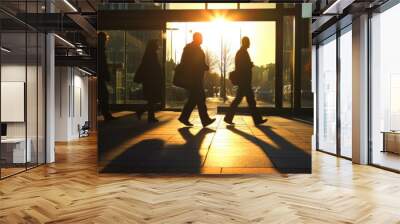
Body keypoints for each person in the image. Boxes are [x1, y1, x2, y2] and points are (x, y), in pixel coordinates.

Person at [224, 36, 267, 125]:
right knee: (248, 101)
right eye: (248, 42)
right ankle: (257, 119)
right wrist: (250, 65)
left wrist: (248, 65)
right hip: (244, 81)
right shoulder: (242, 52)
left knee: (244, 100)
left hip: (244, 81)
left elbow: (241, 65)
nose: (249, 43)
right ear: (245, 43)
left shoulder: (242, 52)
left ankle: (228, 117)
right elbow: (242, 67)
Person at [178, 32, 216, 127]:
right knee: (200, 98)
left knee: (194, 99)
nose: (202, 40)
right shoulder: (193, 49)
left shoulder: (192, 48)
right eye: (201, 38)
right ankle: (204, 119)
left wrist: (203, 66)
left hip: (195, 78)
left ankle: (184, 117)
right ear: (197, 38)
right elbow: (195, 63)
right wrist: (204, 67)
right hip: (194, 78)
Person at [134, 40, 163, 123]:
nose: (158, 46)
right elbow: (154, 69)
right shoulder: (152, 55)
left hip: (149, 81)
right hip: (151, 81)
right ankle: (149, 116)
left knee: (152, 99)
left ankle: (144, 112)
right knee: (153, 99)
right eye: (156, 45)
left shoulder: (149, 55)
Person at [98, 32, 115, 121]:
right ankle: (106, 115)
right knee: (104, 95)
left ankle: (106, 114)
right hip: (100, 76)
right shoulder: (101, 50)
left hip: (98, 76)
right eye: (105, 39)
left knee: (103, 95)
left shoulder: (99, 49)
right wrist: (106, 74)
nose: (105, 41)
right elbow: (103, 64)